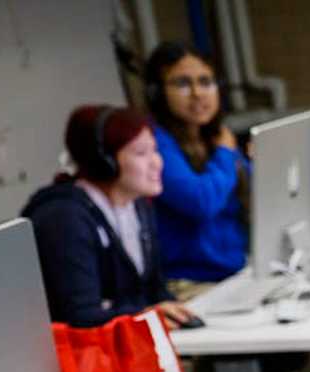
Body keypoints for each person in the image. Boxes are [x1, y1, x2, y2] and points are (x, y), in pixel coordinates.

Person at [23, 105, 193, 329]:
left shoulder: (139, 206)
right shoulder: (64, 218)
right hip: (82, 354)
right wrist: (145, 316)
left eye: (155, 150)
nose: (157, 163)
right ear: (105, 161)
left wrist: (172, 310)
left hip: (131, 346)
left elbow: (154, 291)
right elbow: (80, 317)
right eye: (141, 153)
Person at [143, 41, 247, 285]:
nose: (197, 93)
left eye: (205, 82)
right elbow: (201, 202)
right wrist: (225, 154)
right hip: (188, 282)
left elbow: (250, 199)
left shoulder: (216, 137)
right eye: (182, 83)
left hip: (234, 271)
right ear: (157, 93)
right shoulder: (154, 144)